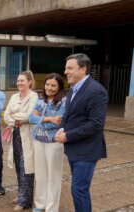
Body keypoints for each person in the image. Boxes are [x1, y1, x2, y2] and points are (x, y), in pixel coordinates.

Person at [55, 53, 108, 212]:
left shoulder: (96, 91)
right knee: (78, 189)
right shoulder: (73, 89)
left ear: (83, 69)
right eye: (66, 68)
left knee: (79, 190)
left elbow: (96, 124)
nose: (65, 72)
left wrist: (68, 135)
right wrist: (62, 128)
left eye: (70, 68)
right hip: (74, 148)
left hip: (87, 150)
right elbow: (70, 115)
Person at [29, 73, 66, 212]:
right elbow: (31, 118)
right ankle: (40, 204)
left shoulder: (63, 102)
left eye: (53, 85)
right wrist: (48, 119)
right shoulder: (40, 99)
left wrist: (41, 119)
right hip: (38, 140)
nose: (49, 88)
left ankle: (51, 208)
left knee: (53, 176)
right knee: (40, 174)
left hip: (54, 142)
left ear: (60, 87)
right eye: (47, 84)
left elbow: (58, 122)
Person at [4, 70, 38, 211]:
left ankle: (24, 201)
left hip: (28, 138)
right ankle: (23, 195)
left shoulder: (34, 97)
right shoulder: (14, 97)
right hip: (16, 135)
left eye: (22, 80)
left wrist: (15, 116)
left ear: (29, 82)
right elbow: (6, 116)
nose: (19, 83)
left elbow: (30, 116)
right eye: (18, 80)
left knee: (27, 168)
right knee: (19, 167)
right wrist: (17, 119)